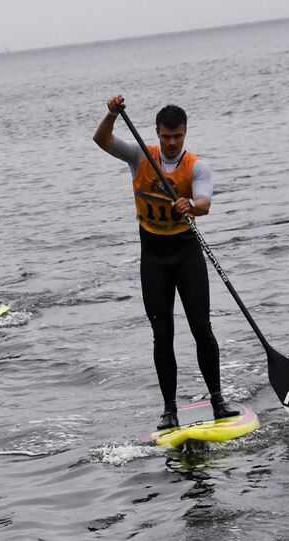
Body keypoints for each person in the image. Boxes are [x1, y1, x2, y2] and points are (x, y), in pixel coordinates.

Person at [93, 95, 239, 429]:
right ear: (157, 134)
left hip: (187, 254)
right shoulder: (139, 155)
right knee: (163, 334)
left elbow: (205, 202)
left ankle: (218, 400)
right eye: (166, 136)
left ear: (185, 134)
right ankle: (169, 410)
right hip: (154, 257)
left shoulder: (196, 166)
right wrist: (111, 115)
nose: (172, 143)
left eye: (178, 137)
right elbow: (101, 140)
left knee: (202, 328)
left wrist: (193, 206)